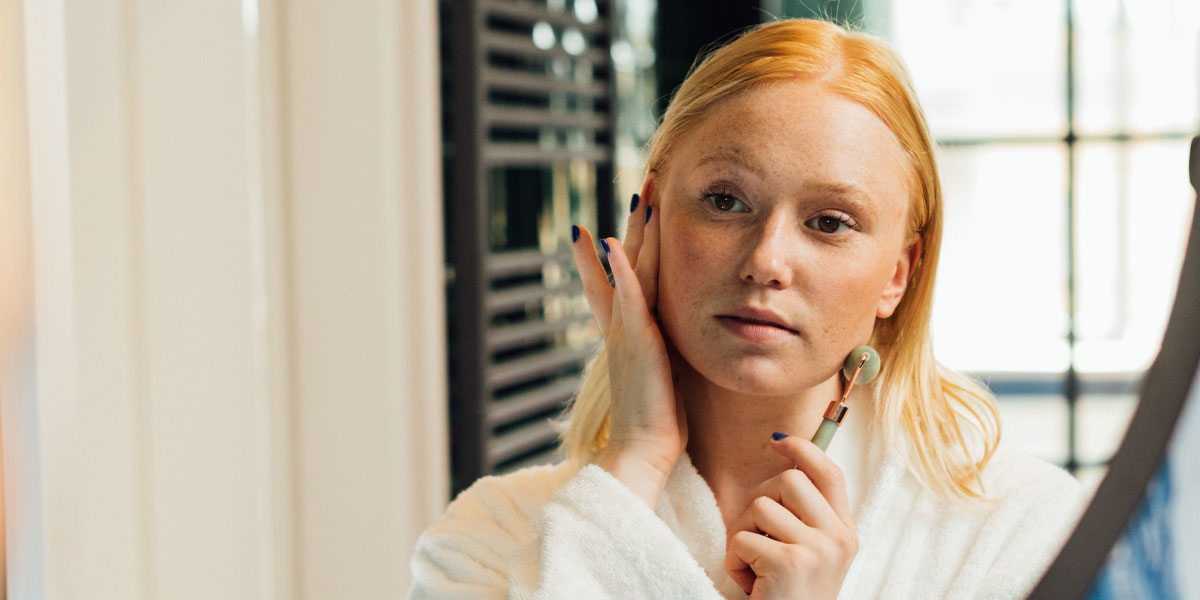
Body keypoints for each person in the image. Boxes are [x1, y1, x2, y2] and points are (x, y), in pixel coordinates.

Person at [409, 18, 1085, 599]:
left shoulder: (1022, 532)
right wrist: (635, 457)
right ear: (651, 217)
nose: (766, 260)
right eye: (726, 201)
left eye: (829, 222)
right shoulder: (491, 537)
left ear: (897, 275)